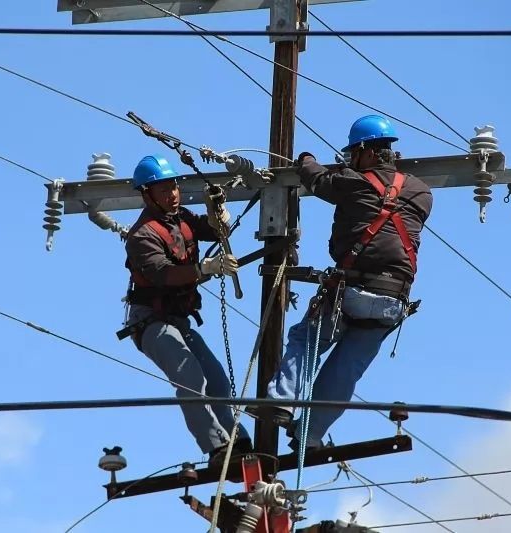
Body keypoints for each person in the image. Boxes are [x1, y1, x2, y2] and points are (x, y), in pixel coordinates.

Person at [255, 115, 433, 451]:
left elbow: (317, 180)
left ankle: (281, 402)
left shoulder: (353, 182)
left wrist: (305, 159)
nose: (351, 160)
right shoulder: (422, 193)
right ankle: (310, 435)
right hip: (393, 300)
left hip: (350, 289)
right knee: (346, 369)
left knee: (307, 341)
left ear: (365, 151)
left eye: (353, 154)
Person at [122, 154, 251, 464]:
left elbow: (216, 230)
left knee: (217, 380)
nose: (173, 194)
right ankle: (217, 447)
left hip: (179, 321)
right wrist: (205, 268)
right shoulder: (142, 235)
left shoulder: (181, 219)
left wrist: (216, 209)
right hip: (150, 322)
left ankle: (238, 440)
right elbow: (163, 274)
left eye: (174, 186)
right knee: (190, 376)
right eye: (164, 189)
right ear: (147, 194)